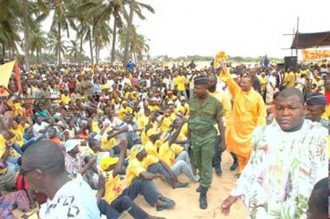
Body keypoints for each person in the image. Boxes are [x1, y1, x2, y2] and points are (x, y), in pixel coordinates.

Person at [220, 88, 328, 218]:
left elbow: (319, 176)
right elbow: (254, 165)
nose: (285, 113)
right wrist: (234, 194)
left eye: (292, 108)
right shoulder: (263, 134)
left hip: (298, 208)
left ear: (304, 109)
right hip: (266, 206)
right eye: (280, 108)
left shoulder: (316, 135)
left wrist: (317, 211)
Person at [21, 140, 100, 218]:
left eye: (23, 172)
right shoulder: (79, 184)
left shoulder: (63, 213)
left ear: (38, 174)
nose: (22, 176)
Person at [218, 58, 266, 176]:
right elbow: (229, 79)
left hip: (251, 130)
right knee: (239, 152)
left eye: (245, 83)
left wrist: (259, 129)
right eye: (241, 82)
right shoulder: (237, 91)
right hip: (238, 128)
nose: (242, 84)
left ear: (251, 83)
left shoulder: (257, 97)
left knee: (250, 151)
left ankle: (250, 171)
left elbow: (262, 114)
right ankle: (241, 170)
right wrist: (222, 65)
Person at [188, 75, 226, 209]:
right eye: (195, 88)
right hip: (195, 137)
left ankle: (203, 192)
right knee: (198, 163)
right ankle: (203, 181)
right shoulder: (192, 101)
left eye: (198, 88)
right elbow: (190, 119)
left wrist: (223, 140)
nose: (195, 90)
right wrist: (188, 137)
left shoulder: (215, 103)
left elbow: (220, 122)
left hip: (208, 137)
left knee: (206, 164)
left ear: (205, 88)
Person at [208, 74, 232, 176]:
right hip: (206, 127)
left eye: (211, 82)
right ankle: (210, 165)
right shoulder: (204, 94)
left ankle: (217, 167)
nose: (209, 84)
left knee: (217, 148)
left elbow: (227, 111)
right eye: (207, 82)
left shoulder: (223, 95)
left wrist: (224, 124)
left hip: (218, 126)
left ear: (215, 82)